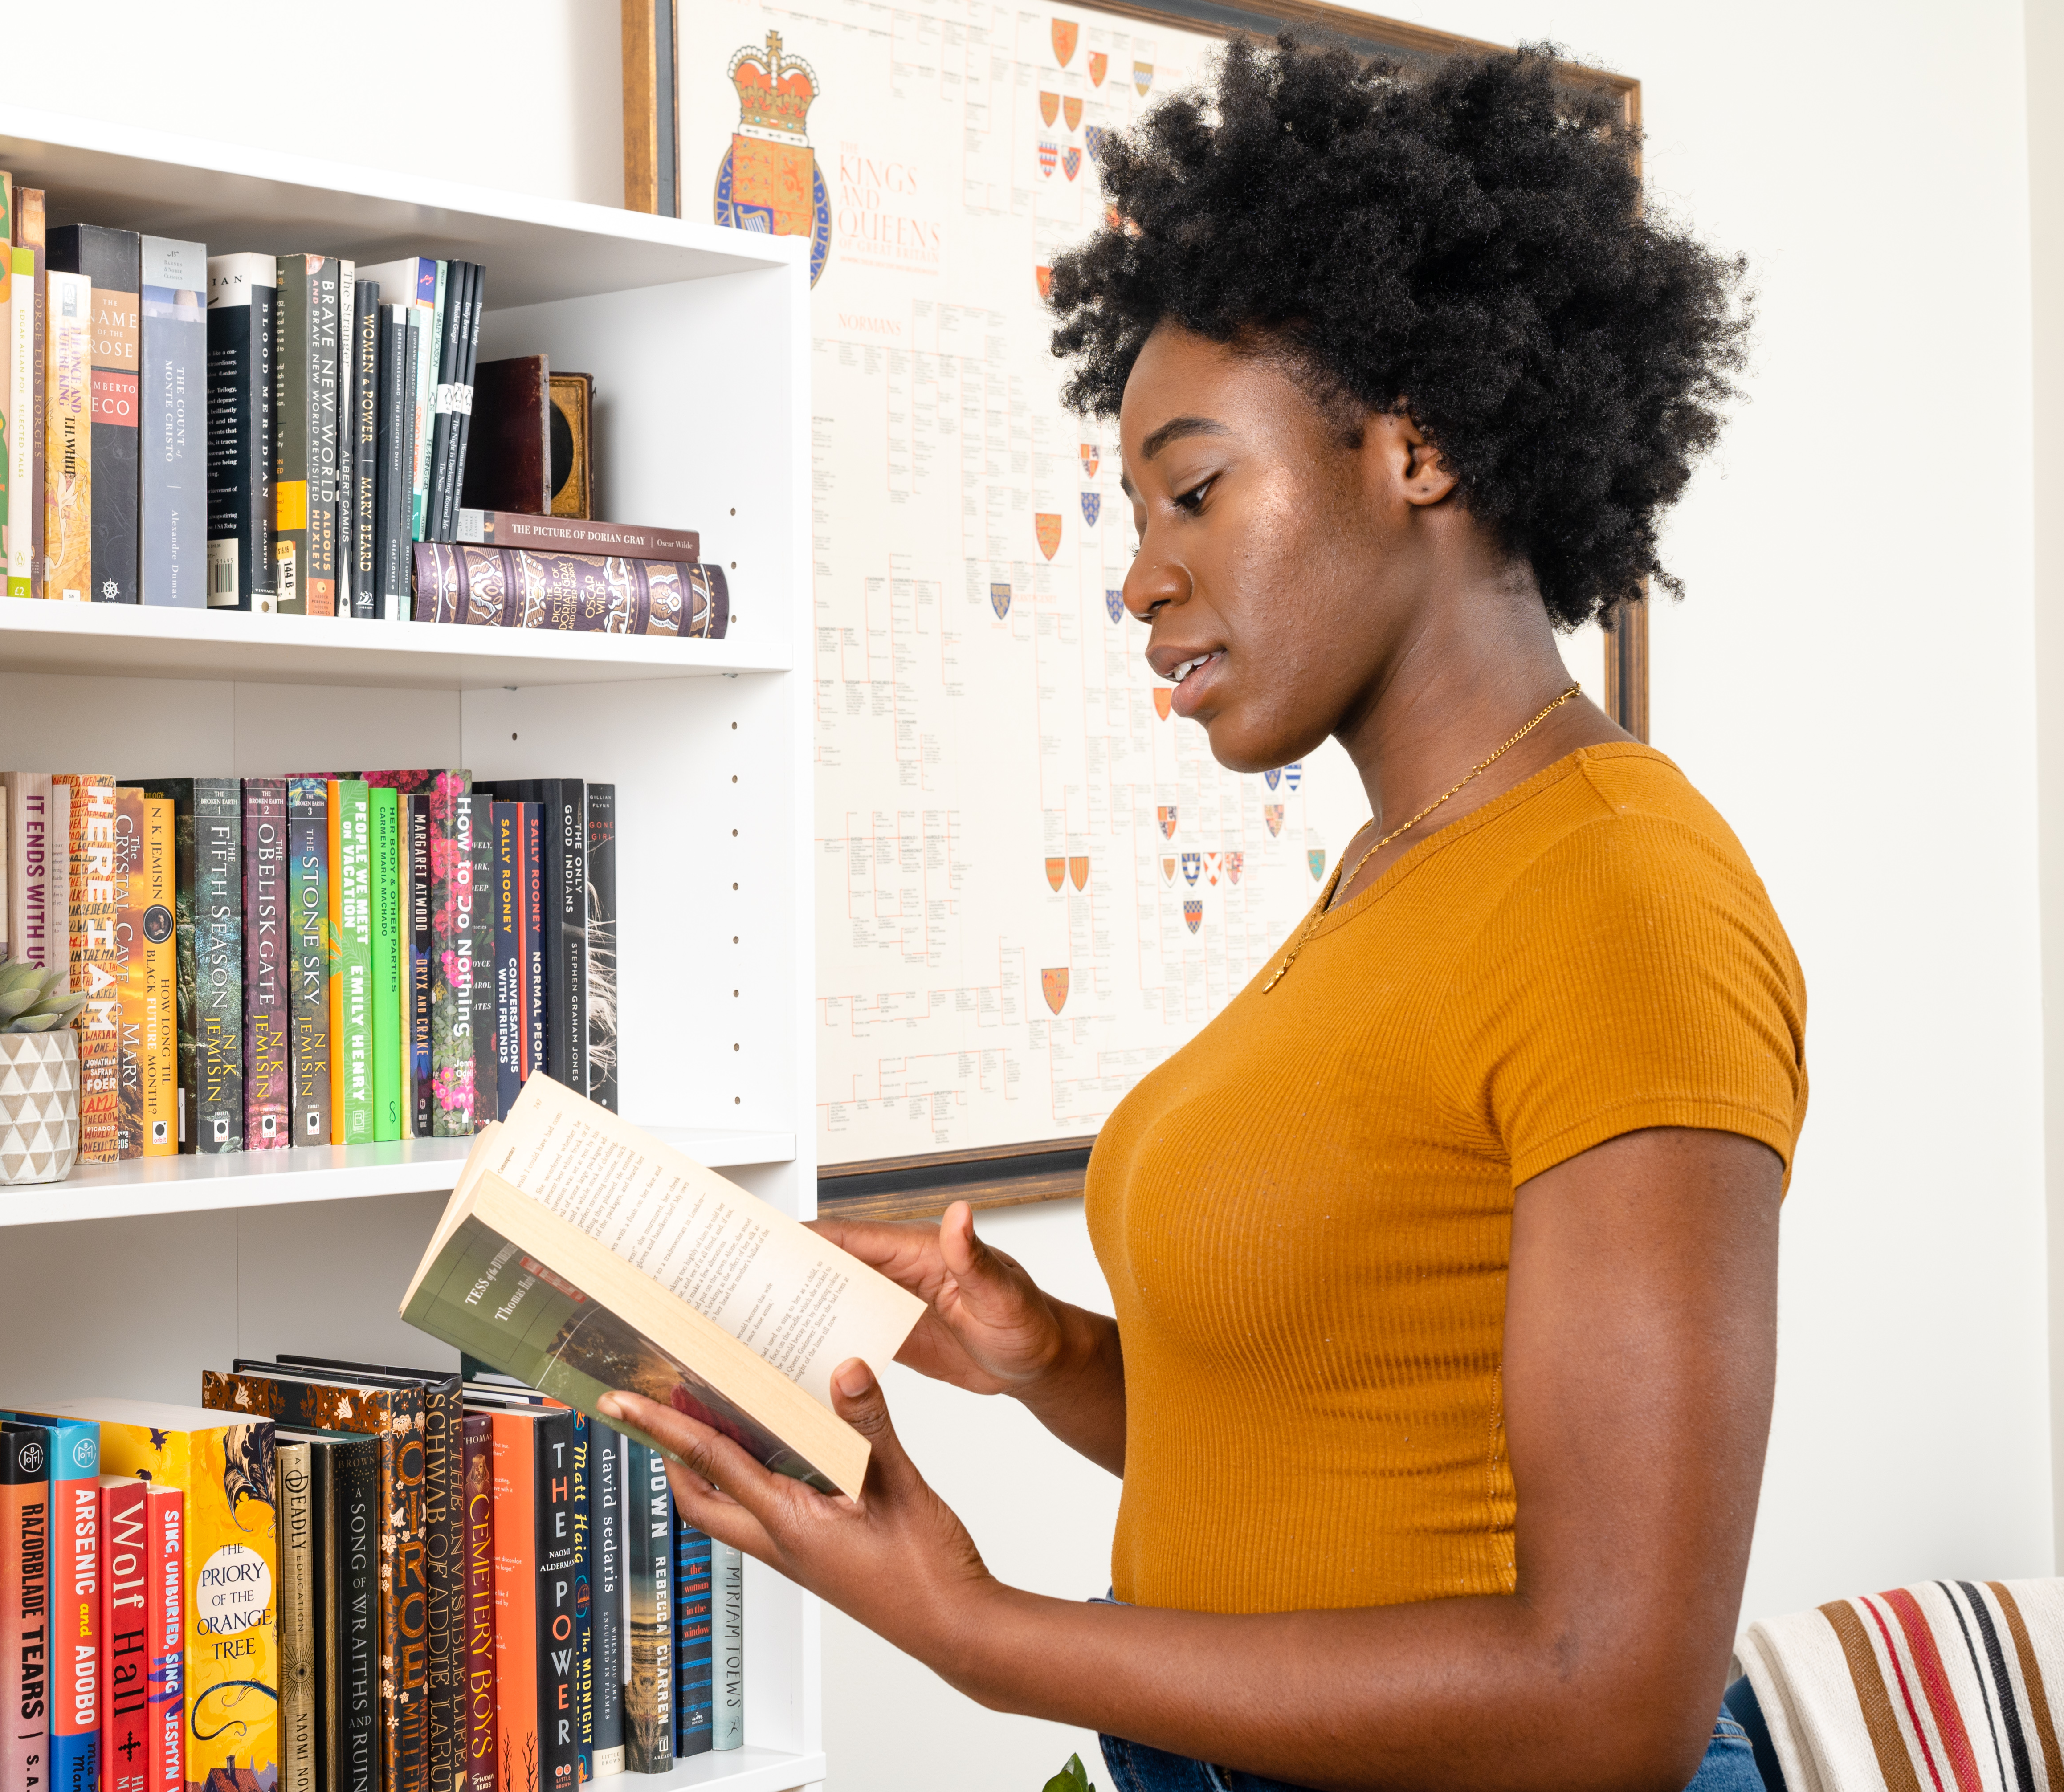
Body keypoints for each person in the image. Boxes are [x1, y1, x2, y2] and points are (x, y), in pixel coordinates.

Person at [600, 35, 1800, 1792]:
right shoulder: (1404, 870)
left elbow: (1608, 1690)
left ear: (1425, 449)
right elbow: (1336, 1449)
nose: (1143, 573)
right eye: (1135, 510)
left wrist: (980, 1631)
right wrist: (1042, 1351)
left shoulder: (1624, 901)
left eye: (1195, 488)